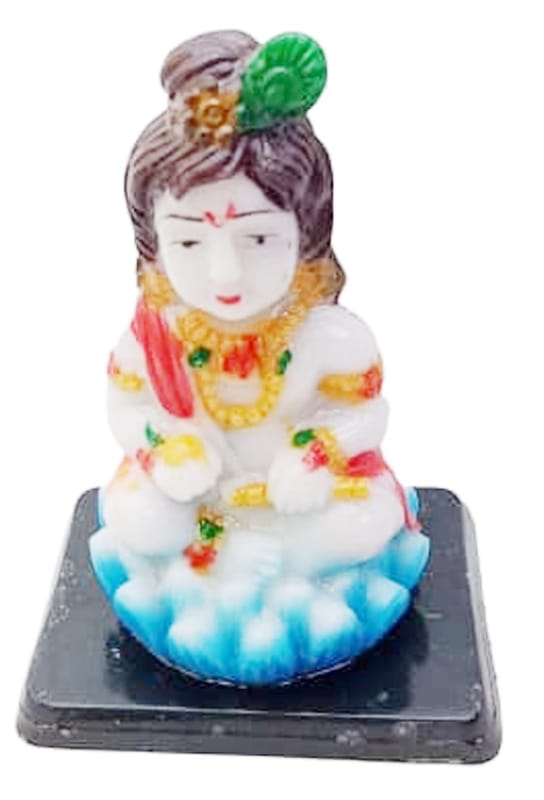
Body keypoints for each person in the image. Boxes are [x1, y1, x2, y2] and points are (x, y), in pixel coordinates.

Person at [90, 30, 429, 685]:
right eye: (190, 244)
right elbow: (126, 408)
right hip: (201, 499)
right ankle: (235, 557)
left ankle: (261, 562)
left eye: (259, 240)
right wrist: (164, 450)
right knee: (138, 518)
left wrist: (314, 455)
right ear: (153, 242)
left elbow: (367, 417)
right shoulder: (156, 335)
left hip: (301, 498)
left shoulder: (328, 337)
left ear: (308, 233)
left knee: (366, 522)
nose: (226, 274)